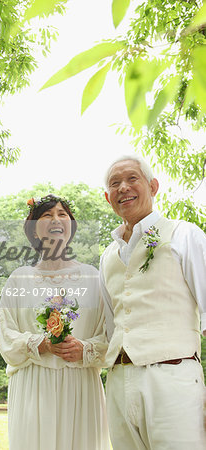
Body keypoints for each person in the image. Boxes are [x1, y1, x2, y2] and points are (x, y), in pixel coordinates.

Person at [100, 154, 206, 450]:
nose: (123, 187)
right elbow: (111, 328)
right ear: (108, 197)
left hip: (173, 378)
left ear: (153, 186)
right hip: (119, 382)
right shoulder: (107, 257)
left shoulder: (185, 234)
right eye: (114, 183)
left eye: (132, 178)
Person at [0, 194, 109, 450]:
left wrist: (85, 349)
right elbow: (5, 335)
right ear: (33, 229)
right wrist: (41, 345)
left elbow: (109, 337)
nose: (56, 219)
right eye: (46, 215)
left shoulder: (93, 278)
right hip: (33, 387)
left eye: (62, 214)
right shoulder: (19, 279)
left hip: (81, 386)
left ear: (71, 226)